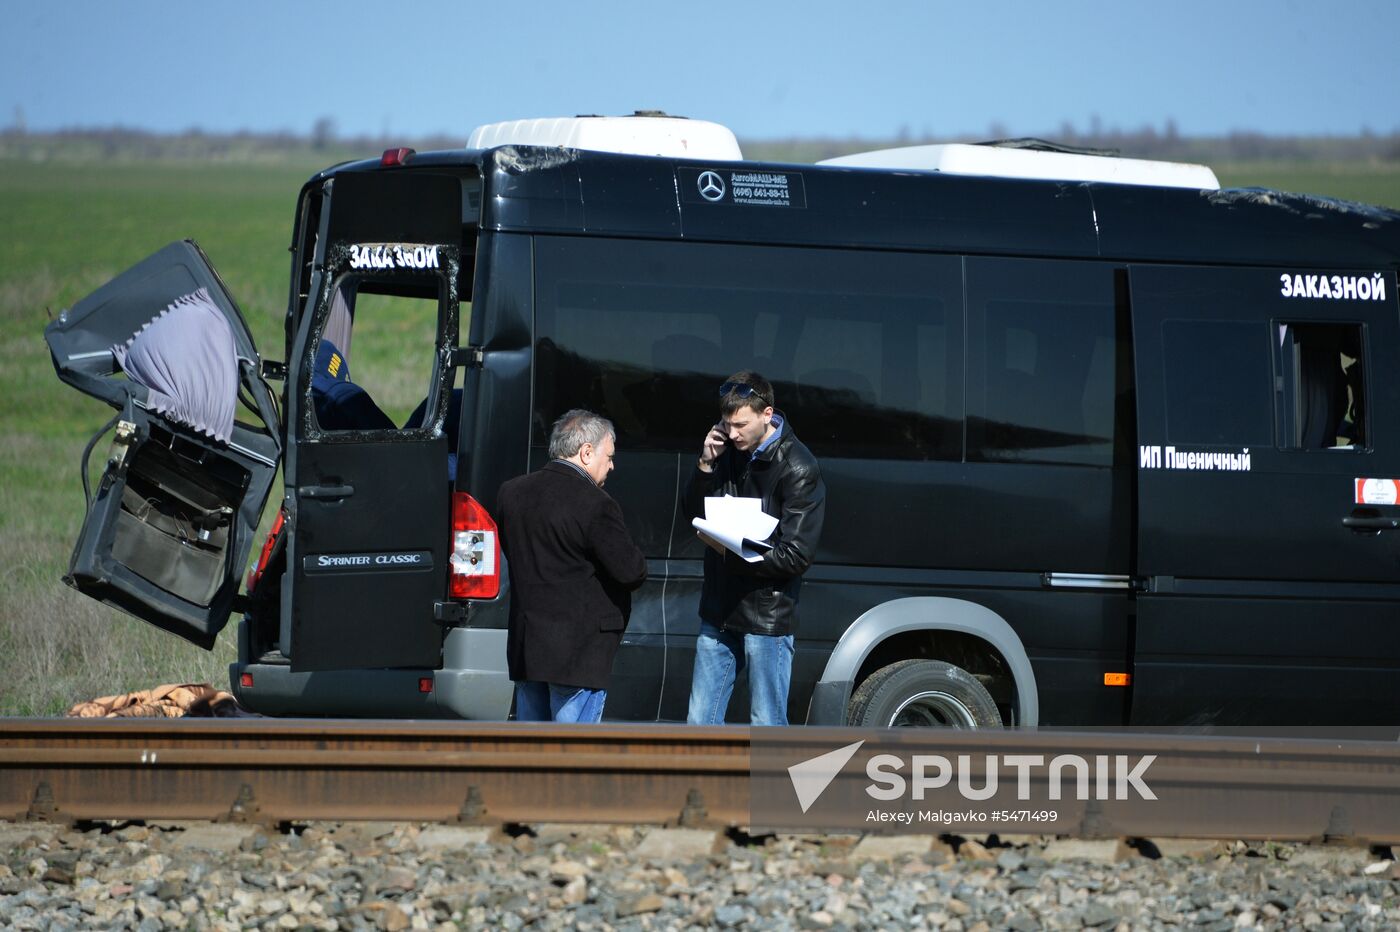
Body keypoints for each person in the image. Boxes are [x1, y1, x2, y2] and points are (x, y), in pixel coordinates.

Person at [685, 371, 826, 726]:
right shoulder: (727, 450)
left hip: (766, 616)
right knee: (700, 723)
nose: (733, 434)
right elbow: (693, 513)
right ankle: (700, 785)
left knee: (767, 725)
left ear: (767, 414)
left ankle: (769, 784)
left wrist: (736, 554)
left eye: (741, 425)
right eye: (727, 424)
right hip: (719, 610)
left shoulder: (798, 466)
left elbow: (796, 554)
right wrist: (705, 463)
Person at [496, 409, 647, 722]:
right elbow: (630, 572)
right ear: (587, 452)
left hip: (528, 649)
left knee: (533, 759)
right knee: (572, 758)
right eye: (610, 456)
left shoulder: (510, 494)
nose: (612, 465)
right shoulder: (595, 503)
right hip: (578, 654)